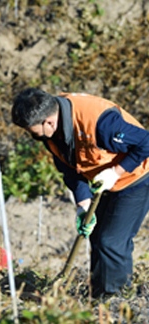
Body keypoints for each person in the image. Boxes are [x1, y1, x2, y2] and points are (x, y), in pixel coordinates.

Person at [11, 88, 149, 298]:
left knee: (111, 241)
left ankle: (117, 301)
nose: (32, 137)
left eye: (33, 132)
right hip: (105, 183)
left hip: (137, 178)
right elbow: (70, 169)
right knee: (97, 236)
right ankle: (98, 295)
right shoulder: (51, 132)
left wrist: (116, 172)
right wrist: (83, 204)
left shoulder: (101, 123)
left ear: (49, 122)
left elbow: (146, 142)